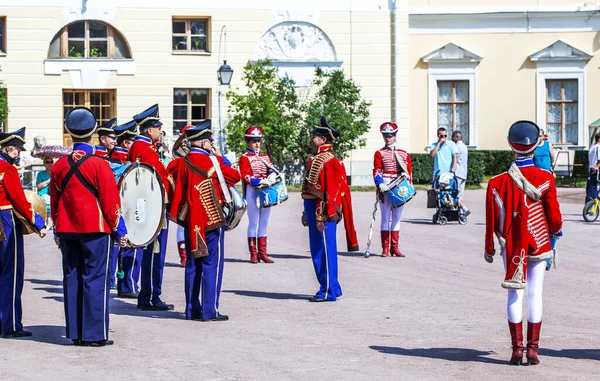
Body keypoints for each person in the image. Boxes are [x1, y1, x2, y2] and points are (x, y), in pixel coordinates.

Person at [484, 120, 563, 365]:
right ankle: (533, 350)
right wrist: (556, 233)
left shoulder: (496, 182)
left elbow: (493, 222)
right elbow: (556, 220)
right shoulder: (546, 177)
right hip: (539, 242)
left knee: (514, 295)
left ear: (510, 145)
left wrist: (491, 246)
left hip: (512, 245)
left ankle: (516, 350)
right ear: (537, 144)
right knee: (535, 294)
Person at [50, 107, 127, 346]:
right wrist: (119, 229)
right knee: (95, 279)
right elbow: (110, 200)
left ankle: (75, 332)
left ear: (70, 133)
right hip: (96, 228)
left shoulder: (59, 165)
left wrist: (57, 231)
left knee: (72, 279)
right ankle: (94, 334)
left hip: (66, 228)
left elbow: (55, 202)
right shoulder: (99, 165)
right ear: (93, 133)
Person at [168, 120, 240, 321]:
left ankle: (191, 309)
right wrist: (219, 156)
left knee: (193, 264)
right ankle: (210, 311)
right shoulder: (213, 162)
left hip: (192, 221)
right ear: (202, 143)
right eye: (209, 141)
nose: (211, 144)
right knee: (211, 264)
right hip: (211, 219)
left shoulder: (181, 163)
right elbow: (235, 176)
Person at [0, 127, 47, 338]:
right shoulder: (7, 169)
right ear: (7, 147)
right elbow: (20, 200)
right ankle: (10, 324)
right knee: (12, 273)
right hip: (6, 222)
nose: (18, 153)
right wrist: (38, 222)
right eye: (16, 149)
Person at [128, 104, 173, 311]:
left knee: (152, 252)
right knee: (155, 253)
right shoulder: (145, 149)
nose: (160, 132)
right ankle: (151, 295)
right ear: (149, 130)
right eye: (158, 128)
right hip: (154, 207)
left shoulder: (144, 148)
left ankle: (148, 294)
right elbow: (157, 179)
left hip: (149, 206)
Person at [301, 116, 344, 302]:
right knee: (318, 249)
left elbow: (328, 192)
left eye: (315, 137)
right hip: (314, 211)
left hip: (323, 214)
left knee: (324, 251)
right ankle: (333, 286)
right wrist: (306, 212)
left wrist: (320, 216)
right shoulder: (318, 159)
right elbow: (311, 189)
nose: (312, 139)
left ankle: (327, 290)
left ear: (323, 140)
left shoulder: (328, 160)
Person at [110, 120, 141, 299]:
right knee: (130, 246)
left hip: (118, 208)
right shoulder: (120, 160)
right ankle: (128, 284)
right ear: (126, 143)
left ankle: (124, 283)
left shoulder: (116, 157)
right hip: (125, 207)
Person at [373, 122, 412, 257]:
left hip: (399, 186)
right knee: (385, 218)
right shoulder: (379, 153)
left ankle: (394, 248)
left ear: (395, 135)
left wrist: (407, 180)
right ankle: (385, 248)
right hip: (385, 184)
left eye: (390, 135)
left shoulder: (404, 153)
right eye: (385, 136)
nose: (388, 138)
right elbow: (377, 170)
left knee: (396, 218)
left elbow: (409, 171)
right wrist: (379, 184)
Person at [239, 126, 277, 264]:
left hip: (266, 191)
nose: (256, 144)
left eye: (258, 141)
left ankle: (263, 253)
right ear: (248, 142)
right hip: (252, 191)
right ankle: (253, 253)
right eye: (253, 141)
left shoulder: (264, 157)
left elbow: (271, 169)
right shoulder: (245, 158)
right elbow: (245, 176)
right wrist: (259, 181)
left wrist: (271, 176)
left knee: (264, 222)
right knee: (253, 222)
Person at [168, 125, 193, 267]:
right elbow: (175, 149)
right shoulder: (180, 148)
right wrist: (183, 137)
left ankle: (190, 252)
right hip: (182, 187)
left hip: (194, 187)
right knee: (182, 223)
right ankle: (183, 255)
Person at [451, 130, 470, 216]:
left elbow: (454, 157)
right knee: (460, 194)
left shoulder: (456, 146)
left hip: (457, 172)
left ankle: (464, 209)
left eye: (453, 136)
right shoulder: (464, 146)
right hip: (463, 173)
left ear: (457, 137)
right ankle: (461, 213)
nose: (451, 138)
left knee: (453, 193)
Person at [36, 156, 54, 226]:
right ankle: (49, 222)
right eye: (47, 162)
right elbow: (39, 186)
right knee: (47, 199)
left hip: (53, 193)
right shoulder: (41, 174)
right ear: (44, 164)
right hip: (44, 193)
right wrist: (49, 181)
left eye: (51, 162)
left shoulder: (55, 172)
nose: (50, 164)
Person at [585, 132, 600, 204]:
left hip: (591, 169)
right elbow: (599, 159)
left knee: (591, 188)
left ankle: (589, 204)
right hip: (596, 170)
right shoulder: (598, 147)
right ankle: (591, 204)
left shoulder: (592, 147)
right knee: (594, 187)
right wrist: (597, 167)